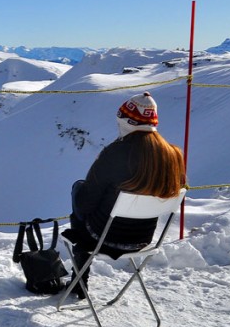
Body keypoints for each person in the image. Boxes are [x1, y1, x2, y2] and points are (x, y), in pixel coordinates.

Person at [63, 92, 186, 298]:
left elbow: (85, 204)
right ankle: (79, 279)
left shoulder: (115, 153)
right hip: (143, 239)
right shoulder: (173, 155)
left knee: (79, 189)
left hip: (103, 236)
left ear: (125, 120)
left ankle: (79, 280)